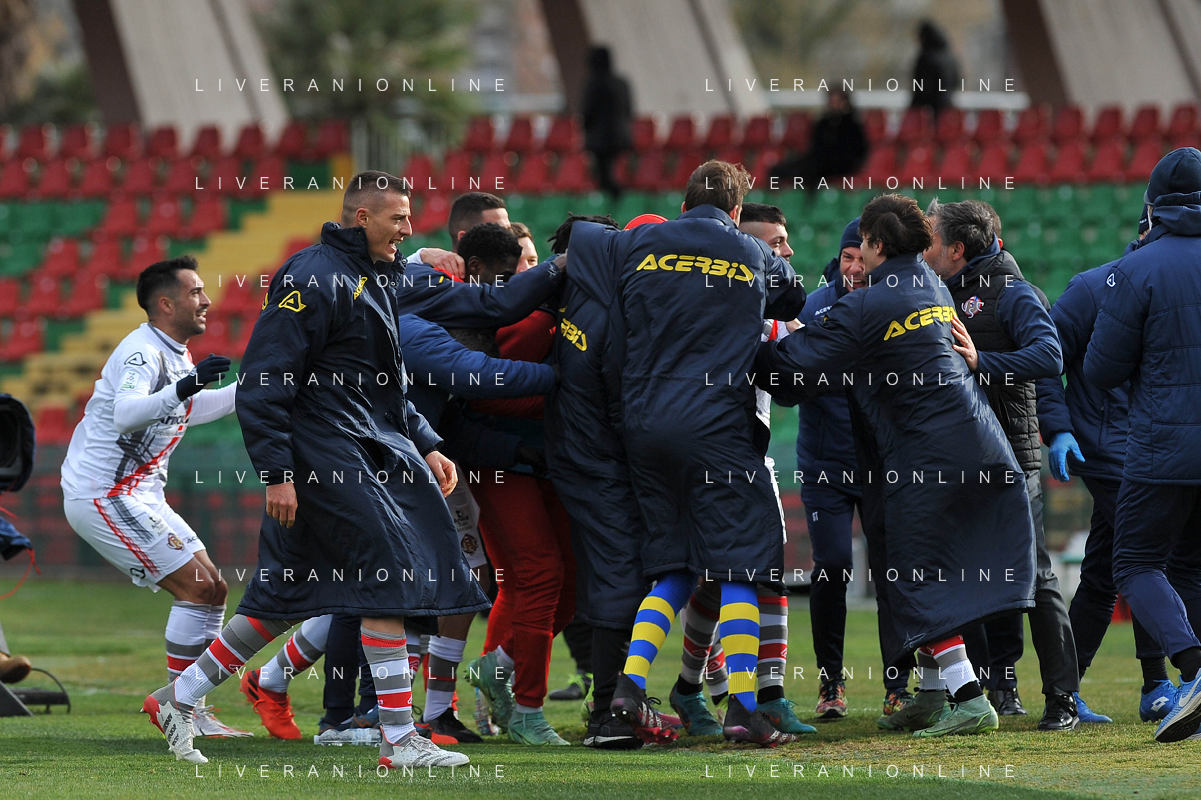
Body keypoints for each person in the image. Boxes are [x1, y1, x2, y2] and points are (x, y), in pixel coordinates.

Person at [141, 171, 490, 769]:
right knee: (389, 574)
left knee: (278, 596)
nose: (408, 230)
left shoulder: (375, 276)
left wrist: (427, 442)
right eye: (398, 219)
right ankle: (398, 738)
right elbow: (263, 381)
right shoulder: (312, 277)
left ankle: (178, 697)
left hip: (355, 449)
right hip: (324, 458)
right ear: (363, 217)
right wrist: (277, 472)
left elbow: (384, 385)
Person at [757, 193, 1037, 738]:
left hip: (926, 457)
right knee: (930, 569)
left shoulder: (869, 305)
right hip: (978, 443)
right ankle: (930, 694)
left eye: (862, 243)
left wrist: (740, 341)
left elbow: (793, 367)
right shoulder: (932, 285)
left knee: (912, 573)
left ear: (878, 244)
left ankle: (969, 698)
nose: (858, 254)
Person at [601, 160, 807, 747]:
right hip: (716, 427)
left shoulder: (638, 243)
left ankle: (626, 692)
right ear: (737, 212)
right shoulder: (750, 251)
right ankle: (743, 707)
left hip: (643, 426)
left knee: (672, 565)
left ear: (683, 204)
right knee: (741, 564)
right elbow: (791, 298)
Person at [59, 256, 247, 739]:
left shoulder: (174, 352)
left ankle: (191, 707)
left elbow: (187, 408)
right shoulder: (142, 352)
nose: (207, 300)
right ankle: (178, 709)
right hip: (104, 493)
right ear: (165, 304)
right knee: (197, 589)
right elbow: (126, 414)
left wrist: (249, 387)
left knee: (214, 588)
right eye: (196, 292)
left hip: (140, 493)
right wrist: (187, 385)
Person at [923, 198, 1077, 731]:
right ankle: (984, 689)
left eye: (931, 237)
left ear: (957, 249)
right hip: (960, 458)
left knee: (1035, 577)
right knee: (967, 577)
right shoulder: (938, 291)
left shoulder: (1013, 292)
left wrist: (981, 361)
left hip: (1011, 460)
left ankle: (1062, 698)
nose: (924, 247)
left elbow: (1049, 356)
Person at [1036, 209, 1172, 725]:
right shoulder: (1091, 289)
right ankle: (1156, 682)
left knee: (1102, 571)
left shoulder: (1171, 284)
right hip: (1109, 449)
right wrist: (1058, 427)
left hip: (1150, 449)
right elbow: (1045, 358)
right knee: (1149, 558)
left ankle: (1066, 692)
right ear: (1146, 230)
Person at [1086, 147, 1201, 743]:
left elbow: (1102, 368)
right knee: (1193, 568)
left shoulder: (1138, 268)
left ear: (1153, 206)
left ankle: (1195, 668)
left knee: (1133, 563)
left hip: (1161, 445)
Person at [543, 212, 654, 750]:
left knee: (591, 580)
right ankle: (609, 714)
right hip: (600, 463)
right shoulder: (610, 311)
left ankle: (611, 701)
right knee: (621, 579)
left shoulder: (573, 301)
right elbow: (620, 404)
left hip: (573, 456)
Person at [770, 89, 867, 190]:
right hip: (819, 161)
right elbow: (814, 147)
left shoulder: (853, 126)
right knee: (780, 170)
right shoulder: (822, 123)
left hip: (839, 165)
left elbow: (857, 151)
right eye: (832, 101)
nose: (834, 104)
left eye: (837, 101)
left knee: (810, 170)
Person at [581, 45, 633, 199]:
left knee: (605, 179)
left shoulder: (593, 84)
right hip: (621, 138)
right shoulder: (621, 83)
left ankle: (612, 205)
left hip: (600, 141)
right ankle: (621, 202)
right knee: (617, 175)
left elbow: (587, 113)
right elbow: (629, 110)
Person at [910, 21, 959, 113]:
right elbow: (957, 81)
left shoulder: (926, 57)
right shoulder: (949, 56)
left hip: (927, 111)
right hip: (948, 109)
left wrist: (913, 109)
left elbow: (921, 87)